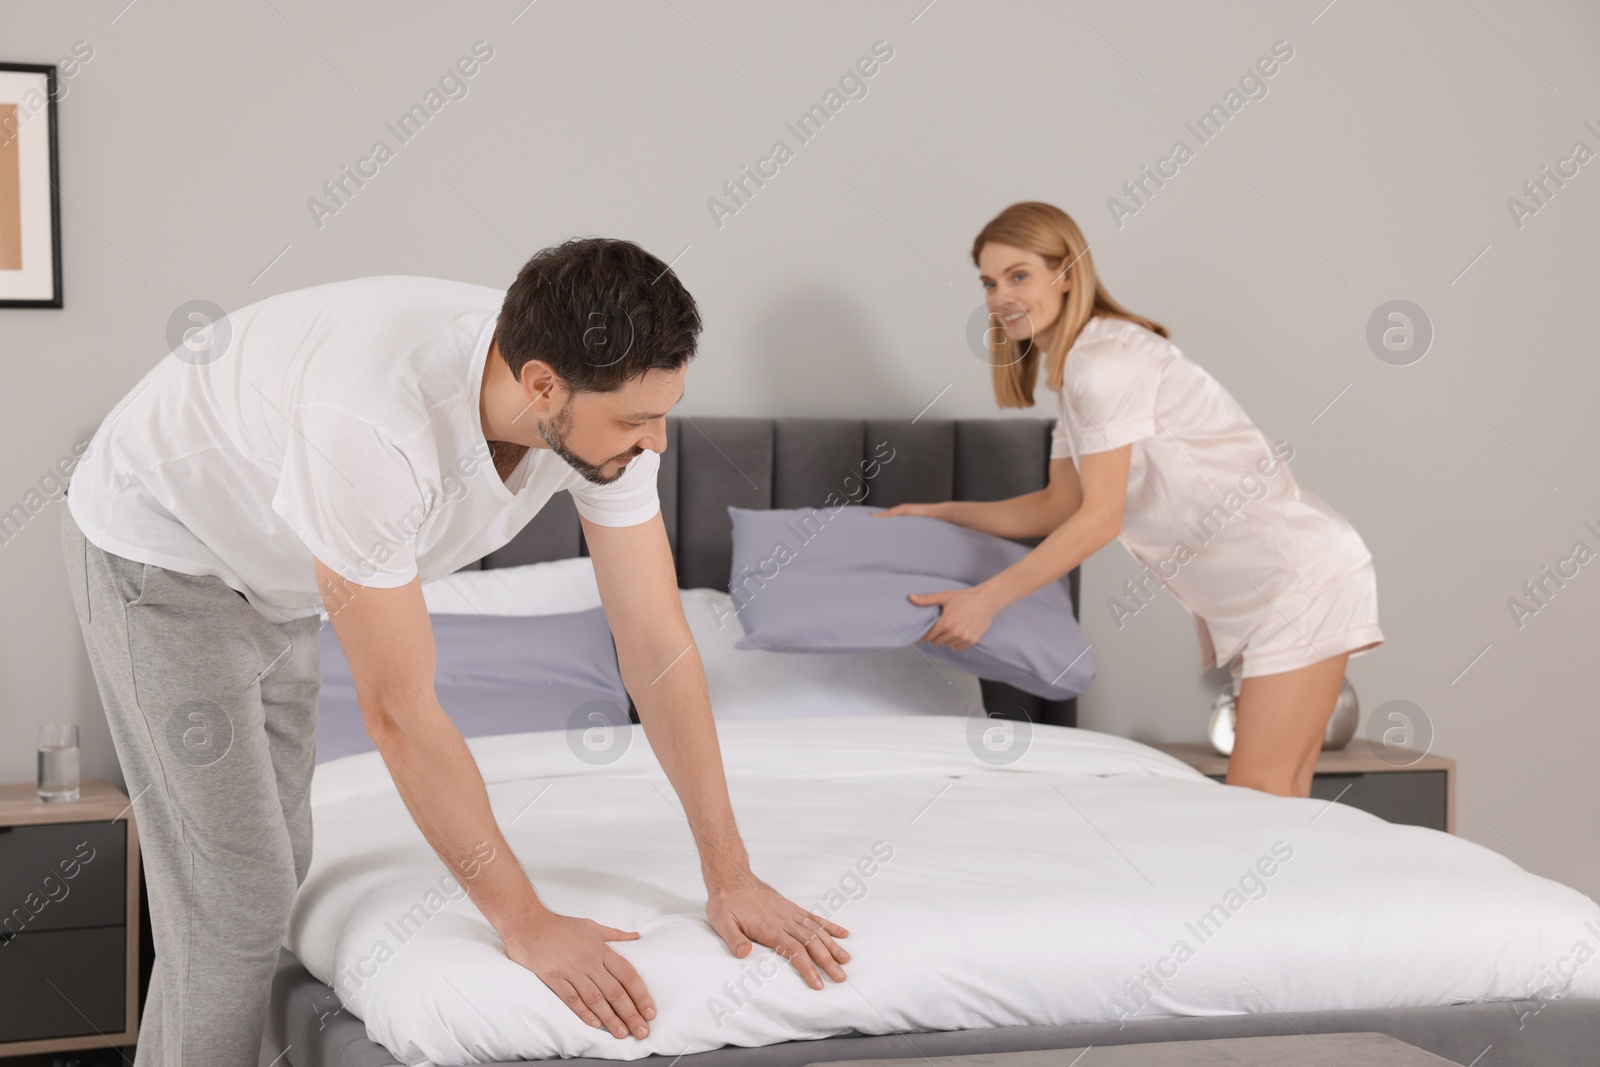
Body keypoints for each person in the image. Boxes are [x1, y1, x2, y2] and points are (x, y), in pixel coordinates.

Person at [60, 237, 849, 1065]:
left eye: (664, 412)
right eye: (635, 420)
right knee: (237, 898)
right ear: (541, 384)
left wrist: (732, 873)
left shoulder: (603, 415)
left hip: (284, 562)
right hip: (165, 554)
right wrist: (527, 923)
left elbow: (656, 644)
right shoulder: (370, 426)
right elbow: (399, 710)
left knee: (278, 862)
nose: (655, 442)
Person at [878, 202, 1382, 799]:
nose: (999, 296)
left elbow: (1100, 519)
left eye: (1019, 276)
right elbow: (1056, 506)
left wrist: (986, 601)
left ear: (1065, 273)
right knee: (1279, 801)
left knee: (1259, 800)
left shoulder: (1104, 365)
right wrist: (938, 512)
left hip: (1293, 577)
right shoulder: (1074, 373)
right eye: (989, 282)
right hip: (1271, 586)